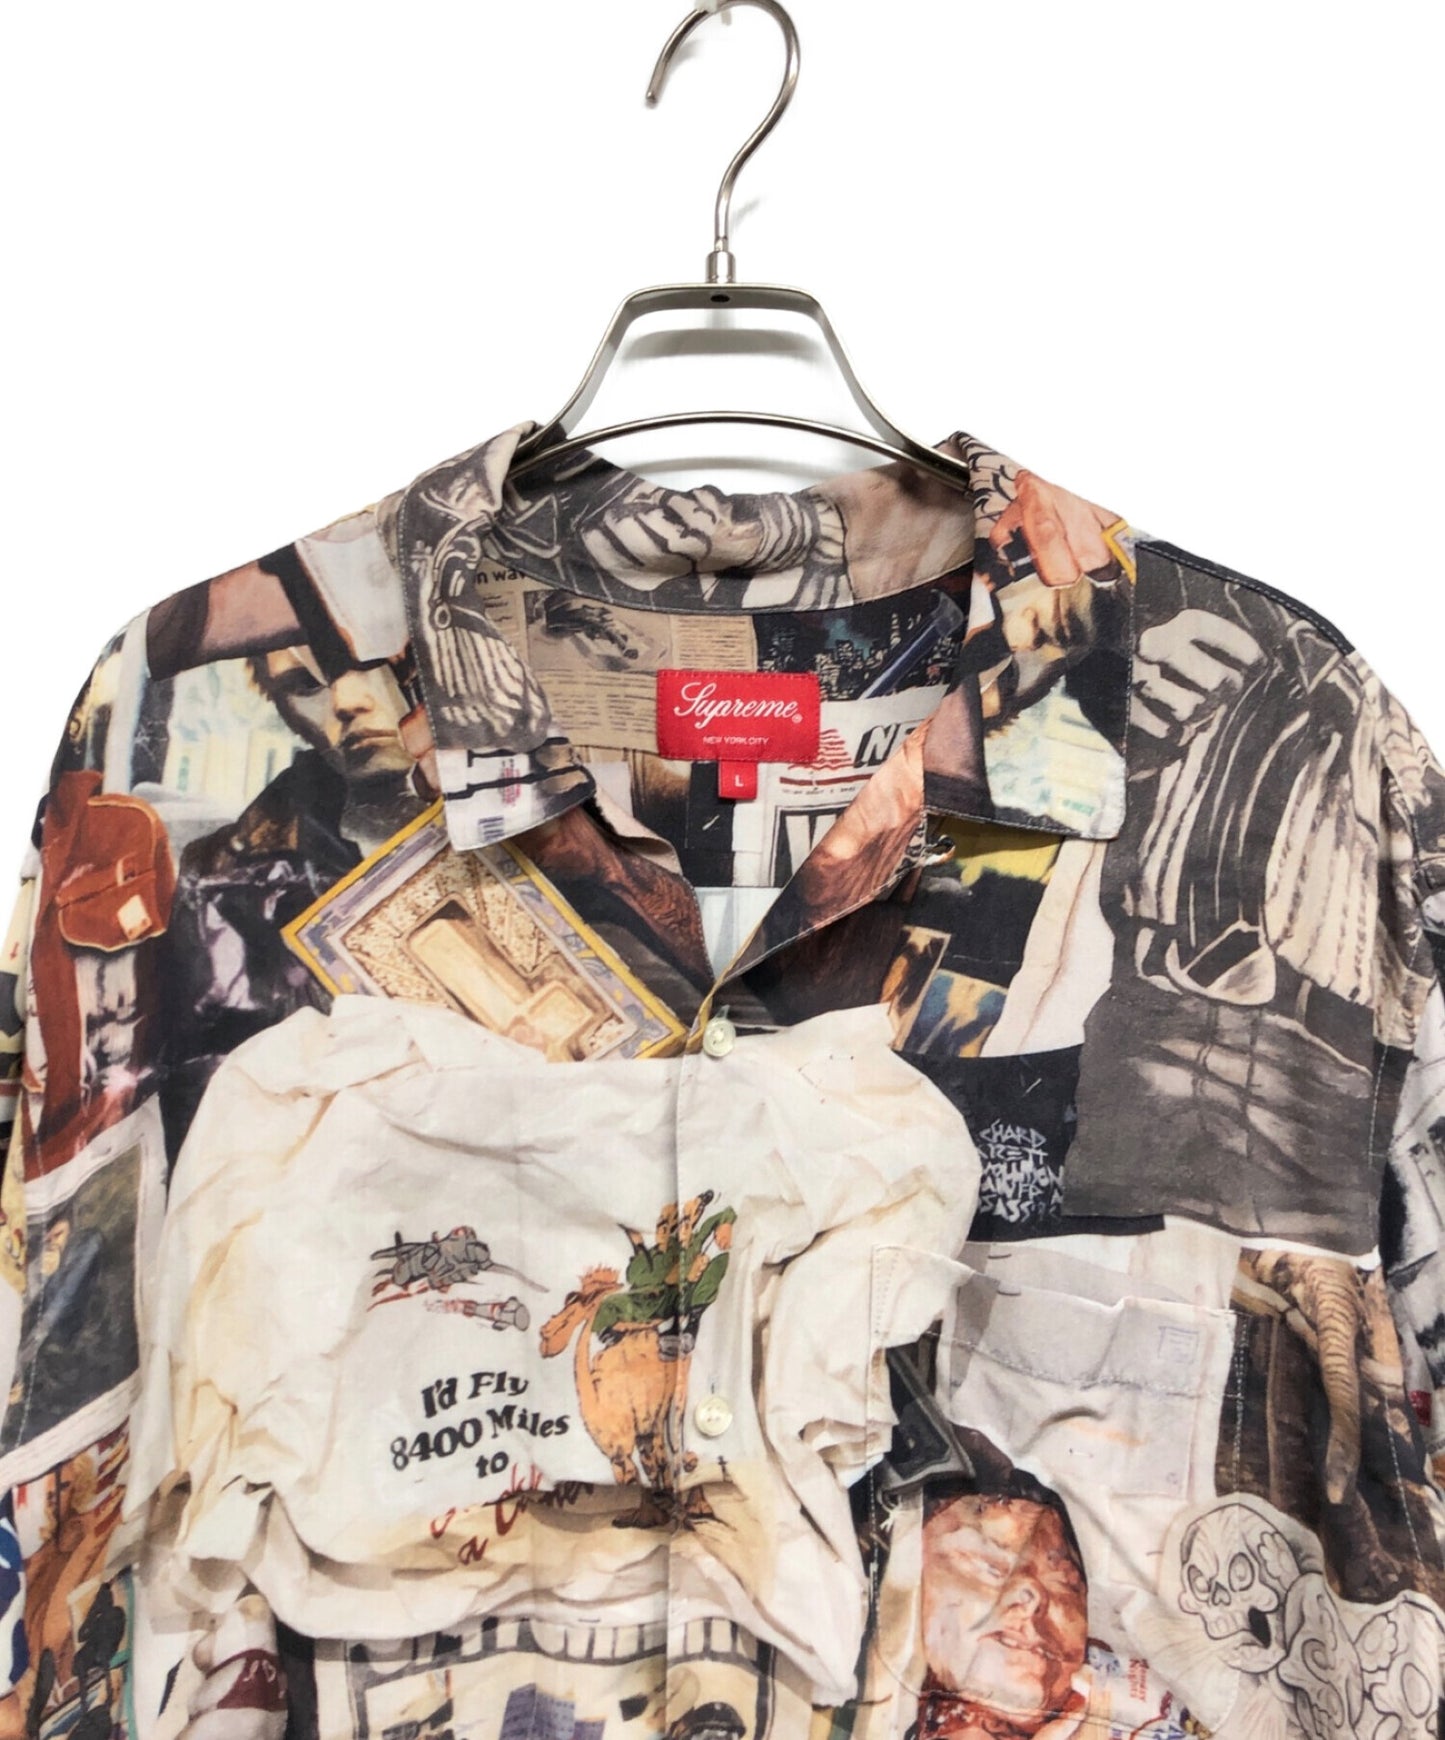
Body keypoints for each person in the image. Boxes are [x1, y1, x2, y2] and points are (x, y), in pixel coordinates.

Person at [156, 645, 424, 1161]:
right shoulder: (227, 884)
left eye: (376, 662)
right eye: (305, 685)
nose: (346, 700)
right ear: (280, 705)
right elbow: (213, 1113)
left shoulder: (564, 832)